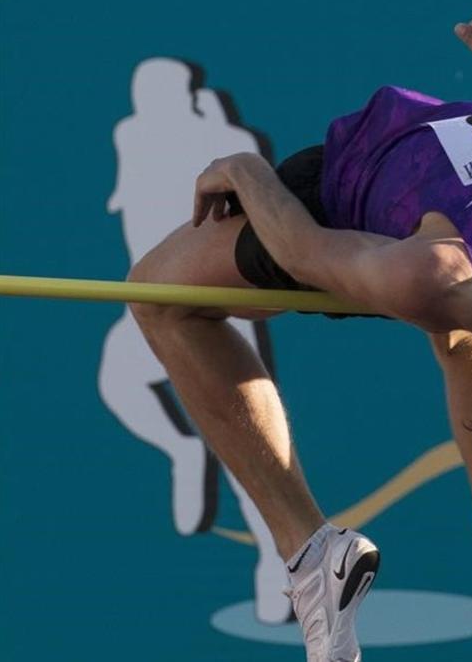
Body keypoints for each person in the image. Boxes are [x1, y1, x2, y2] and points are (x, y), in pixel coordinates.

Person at [128, 8, 472, 662]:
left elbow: (309, 251)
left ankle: (311, 553)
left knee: (157, 297)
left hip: (342, 201)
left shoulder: (439, 272)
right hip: (465, 232)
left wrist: (247, 173)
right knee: (465, 333)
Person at [101, 57, 291, 624]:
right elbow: (127, 202)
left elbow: (269, 213)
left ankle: (280, 562)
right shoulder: (129, 133)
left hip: (226, 305)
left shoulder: (227, 139)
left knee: (250, 456)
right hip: (156, 299)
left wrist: (223, 138)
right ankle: (181, 450)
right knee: (118, 378)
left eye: (162, 91)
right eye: (145, 92)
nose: (150, 101)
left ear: (186, 94)